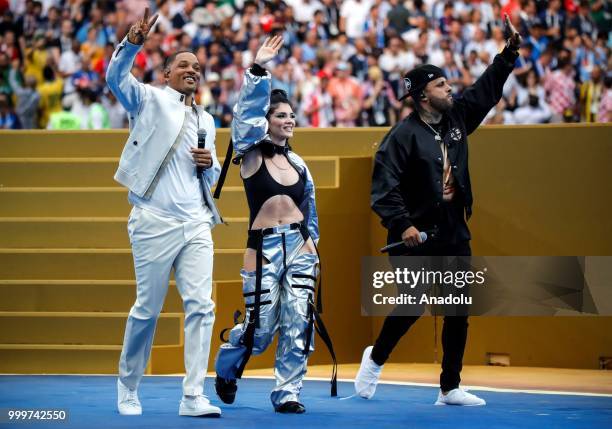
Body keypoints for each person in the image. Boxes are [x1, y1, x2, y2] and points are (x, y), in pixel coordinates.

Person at [354, 14, 522, 406]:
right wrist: (403, 225)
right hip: (414, 233)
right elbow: (383, 189)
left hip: (452, 227)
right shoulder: (402, 136)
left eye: (448, 83)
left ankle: (449, 387)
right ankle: (375, 359)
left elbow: (486, 90)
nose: (451, 89)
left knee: (458, 309)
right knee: (412, 303)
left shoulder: (458, 117)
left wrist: (508, 54)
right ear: (423, 95)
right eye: (442, 85)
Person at [106, 8, 223, 417]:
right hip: (154, 219)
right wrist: (132, 43)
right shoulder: (149, 99)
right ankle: (128, 386)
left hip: (196, 222)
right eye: (184, 65)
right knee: (147, 309)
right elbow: (115, 79)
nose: (193, 70)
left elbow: (212, 176)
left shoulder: (207, 118)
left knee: (202, 306)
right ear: (167, 74)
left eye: (197, 67)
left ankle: (193, 396)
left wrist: (213, 165)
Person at [214, 36, 332, 414]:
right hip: (262, 248)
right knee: (259, 329)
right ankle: (228, 367)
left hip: (299, 247)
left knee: (299, 320)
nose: (289, 120)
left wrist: (312, 245)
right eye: (281, 115)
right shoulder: (249, 154)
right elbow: (245, 120)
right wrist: (259, 70)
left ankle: (287, 393)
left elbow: (309, 212)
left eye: (291, 115)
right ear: (266, 122)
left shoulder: (299, 165)